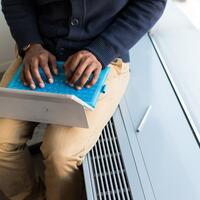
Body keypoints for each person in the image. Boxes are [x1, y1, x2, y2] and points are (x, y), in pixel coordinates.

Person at [0, 0, 166, 199]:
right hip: (37, 51)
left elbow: (151, 3)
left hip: (104, 58)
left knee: (60, 153)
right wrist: (30, 44)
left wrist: (102, 50)